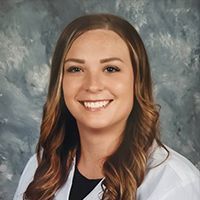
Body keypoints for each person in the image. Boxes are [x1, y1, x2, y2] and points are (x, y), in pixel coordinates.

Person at [13, 14, 200, 200]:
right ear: (60, 84)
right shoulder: (40, 169)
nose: (93, 85)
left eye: (111, 69)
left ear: (137, 81)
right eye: (76, 69)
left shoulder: (173, 183)